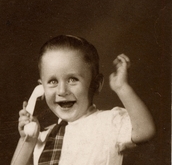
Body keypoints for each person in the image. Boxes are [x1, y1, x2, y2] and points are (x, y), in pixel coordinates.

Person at [11, 35, 155, 165]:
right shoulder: (44, 136)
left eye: (72, 80)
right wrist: (28, 140)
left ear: (96, 84)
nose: (62, 91)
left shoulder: (109, 122)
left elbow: (145, 131)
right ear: (41, 88)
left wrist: (122, 88)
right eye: (53, 82)